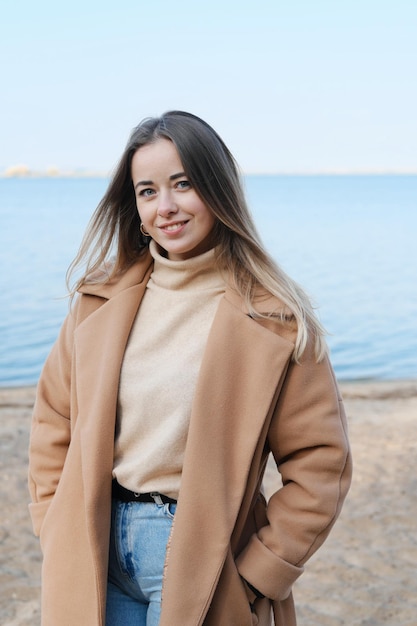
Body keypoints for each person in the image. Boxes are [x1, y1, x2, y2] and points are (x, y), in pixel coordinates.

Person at [28, 110, 352, 626]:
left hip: (198, 554)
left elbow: (320, 463)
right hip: (93, 545)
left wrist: (260, 571)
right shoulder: (98, 304)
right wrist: (54, 524)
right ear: (133, 205)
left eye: (184, 184)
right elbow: (53, 423)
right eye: (148, 191)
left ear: (218, 189)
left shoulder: (274, 318)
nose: (167, 206)